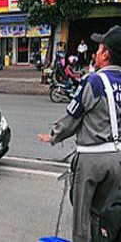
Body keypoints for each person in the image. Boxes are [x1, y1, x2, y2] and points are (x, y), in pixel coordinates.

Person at [38, 25, 121, 241]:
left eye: (99, 48)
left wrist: (54, 135)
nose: (94, 53)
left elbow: (72, 120)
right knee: (107, 212)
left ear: (106, 54)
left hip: (93, 159)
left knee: (82, 216)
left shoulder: (94, 81)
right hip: (118, 159)